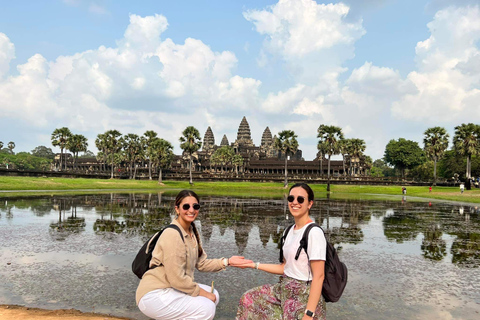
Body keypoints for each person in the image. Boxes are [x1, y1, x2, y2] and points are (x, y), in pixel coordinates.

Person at [136, 189, 252, 320]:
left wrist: (228, 262)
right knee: (206, 308)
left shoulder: (191, 232)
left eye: (195, 206)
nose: (191, 210)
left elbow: (201, 264)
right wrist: (203, 294)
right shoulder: (172, 235)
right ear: (177, 209)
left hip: (171, 288)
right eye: (186, 206)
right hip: (155, 294)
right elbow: (177, 279)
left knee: (214, 294)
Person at [235, 183, 327, 320]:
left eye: (300, 199)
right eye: (291, 199)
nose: (295, 203)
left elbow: (319, 276)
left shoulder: (314, 233)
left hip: (304, 294)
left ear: (310, 204)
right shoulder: (288, 231)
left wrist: (309, 313)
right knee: (248, 299)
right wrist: (253, 265)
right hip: (284, 289)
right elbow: (284, 267)